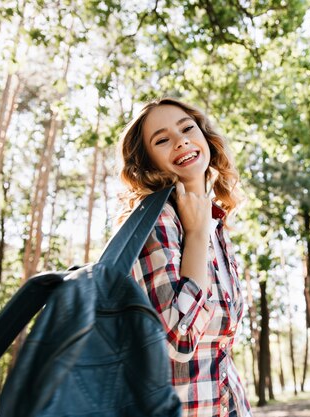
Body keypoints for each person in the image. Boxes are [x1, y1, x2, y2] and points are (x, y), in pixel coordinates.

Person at [117, 97, 252, 417]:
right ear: (148, 162)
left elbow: (218, 355)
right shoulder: (156, 222)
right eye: (162, 140)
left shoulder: (215, 224)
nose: (181, 141)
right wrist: (195, 235)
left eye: (187, 128)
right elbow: (178, 340)